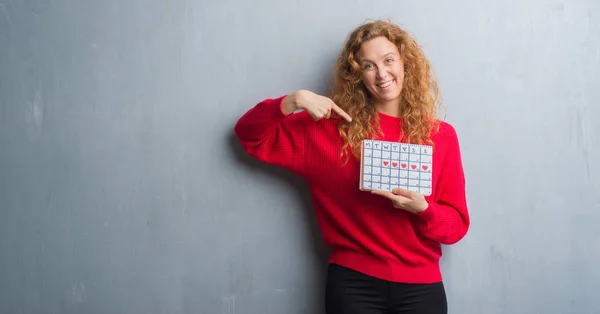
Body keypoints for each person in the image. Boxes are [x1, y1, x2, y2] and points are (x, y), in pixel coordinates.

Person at [234, 19, 470, 314]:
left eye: (388, 60)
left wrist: (423, 209)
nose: (382, 74)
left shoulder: (441, 136)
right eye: (369, 66)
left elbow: (455, 227)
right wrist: (293, 100)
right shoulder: (328, 129)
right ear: (357, 75)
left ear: (405, 63)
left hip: (422, 288)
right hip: (353, 285)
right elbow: (249, 134)